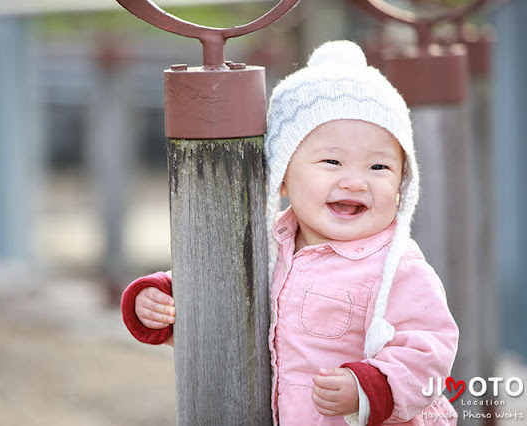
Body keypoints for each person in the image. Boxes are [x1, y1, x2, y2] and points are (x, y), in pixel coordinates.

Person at [120, 40, 459, 425]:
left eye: (378, 167)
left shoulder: (397, 267)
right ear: (282, 178)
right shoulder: (266, 247)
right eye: (332, 161)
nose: (354, 182)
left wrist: (370, 387)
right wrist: (160, 300)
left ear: (403, 182)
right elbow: (217, 296)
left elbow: (429, 350)